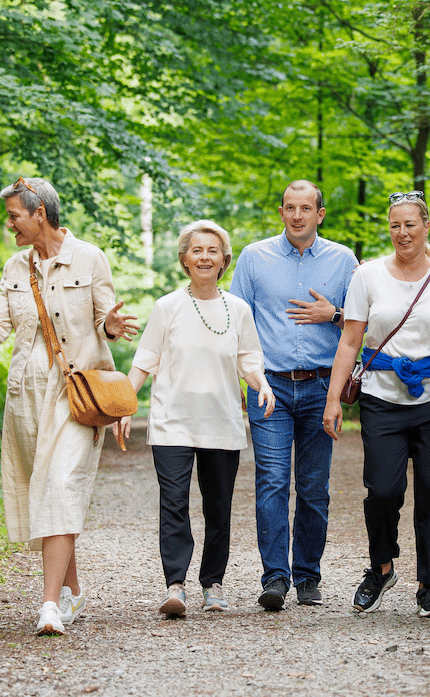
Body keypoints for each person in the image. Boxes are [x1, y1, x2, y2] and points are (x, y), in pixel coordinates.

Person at [0, 177, 138, 636]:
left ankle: (47, 605)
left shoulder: (89, 257)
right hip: (25, 395)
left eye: (14, 216)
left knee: (61, 485)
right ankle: (72, 588)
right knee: (44, 490)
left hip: (77, 394)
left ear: (39, 213)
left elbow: (106, 322)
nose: (9, 225)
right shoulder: (15, 266)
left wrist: (113, 326)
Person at [322, 191, 430, 619]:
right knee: (383, 490)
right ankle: (382, 568)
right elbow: (350, 340)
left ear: (426, 227)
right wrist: (334, 400)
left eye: (410, 224)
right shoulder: (367, 276)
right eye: (395, 225)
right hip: (382, 397)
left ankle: (428, 583)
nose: (403, 233)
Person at [123, 219, 275, 618]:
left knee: (218, 508)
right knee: (174, 503)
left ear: (224, 260)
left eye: (212, 251)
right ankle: (175, 585)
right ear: (184, 259)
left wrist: (261, 383)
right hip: (172, 421)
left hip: (222, 421)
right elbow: (144, 361)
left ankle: (213, 584)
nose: (204, 257)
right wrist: (123, 403)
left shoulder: (238, 310)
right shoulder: (166, 307)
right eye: (197, 250)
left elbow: (250, 360)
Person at [229, 180, 359, 611]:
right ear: (281, 212)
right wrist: (243, 383)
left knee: (314, 486)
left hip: (324, 385)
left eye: (306, 208)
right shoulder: (254, 257)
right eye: (290, 207)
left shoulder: (343, 261)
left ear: (320, 214)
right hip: (271, 386)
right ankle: (275, 578)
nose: (298, 215)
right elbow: (237, 325)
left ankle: (307, 575)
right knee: (271, 481)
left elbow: (362, 326)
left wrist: (333, 314)